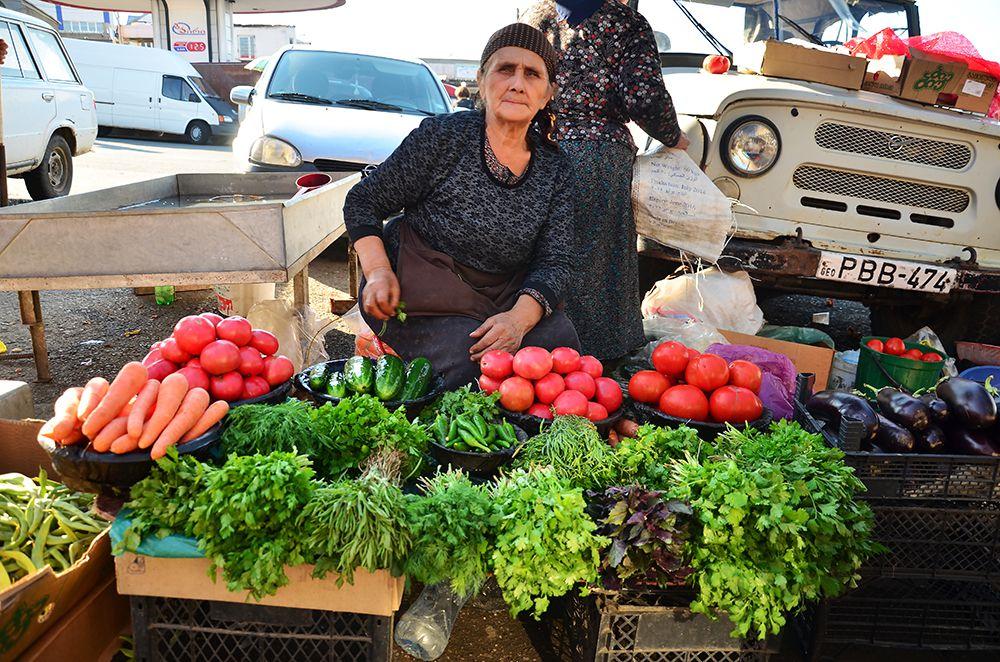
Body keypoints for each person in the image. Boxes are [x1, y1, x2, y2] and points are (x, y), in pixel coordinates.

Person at [343, 23, 580, 389]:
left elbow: (556, 260)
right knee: (474, 363)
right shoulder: (443, 138)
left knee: (560, 344)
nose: (517, 83)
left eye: (532, 74)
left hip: (503, 296)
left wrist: (518, 320)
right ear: (482, 79)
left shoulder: (555, 168)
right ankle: (389, 350)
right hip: (423, 291)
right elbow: (364, 200)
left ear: (547, 93)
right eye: (505, 69)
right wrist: (377, 271)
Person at [524, 0, 688, 364]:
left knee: (544, 248)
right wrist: (673, 135)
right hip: (598, 156)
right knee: (597, 257)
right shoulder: (625, 22)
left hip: (538, 144)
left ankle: (536, 346)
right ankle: (591, 356)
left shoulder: (537, 16)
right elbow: (644, 96)